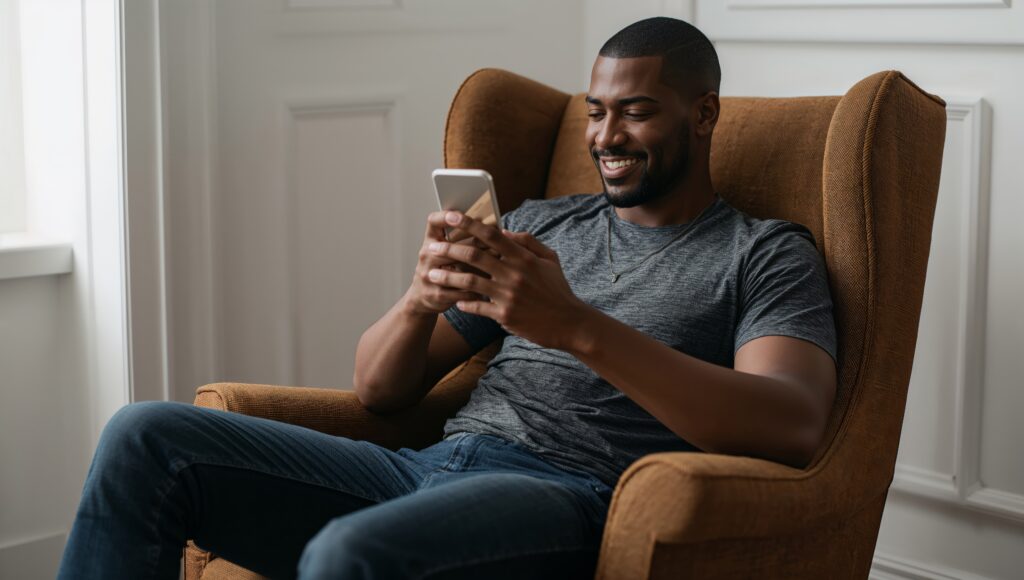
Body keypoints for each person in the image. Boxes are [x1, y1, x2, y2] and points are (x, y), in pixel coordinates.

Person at [57, 16, 837, 580]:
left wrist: (573, 325)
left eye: (636, 111)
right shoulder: (542, 224)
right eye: (597, 111)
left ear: (703, 115)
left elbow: (790, 424)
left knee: (348, 554)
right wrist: (419, 299)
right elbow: (380, 389)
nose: (606, 135)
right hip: (427, 467)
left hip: (566, 494)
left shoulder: (763, 253)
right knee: (145, 436)